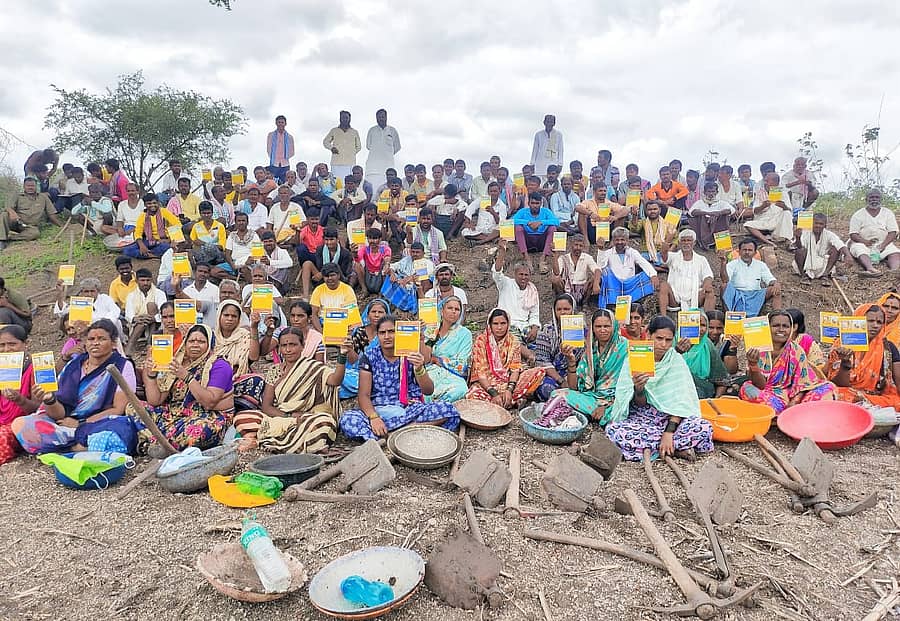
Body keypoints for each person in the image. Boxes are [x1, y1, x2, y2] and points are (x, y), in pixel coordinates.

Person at [11, 320, 138, 455]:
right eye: (91, 339)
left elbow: (117, 409)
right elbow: (59, 413)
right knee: (21, 424)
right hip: (64, 424)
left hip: (98, 423)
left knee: (118, 432)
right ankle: (80, 446)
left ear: (113, 343)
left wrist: (81, 423)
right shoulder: (74, 365)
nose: (95, 343)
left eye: (101, 339)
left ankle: (67, 447)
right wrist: (49, 400)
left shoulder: (123, 366)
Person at [605, 316, 714, 461]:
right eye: (659, 338)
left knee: (704, 427)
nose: (663, 344)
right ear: (649, 335)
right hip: (644, 417)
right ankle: (676, 449)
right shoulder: (634, 359)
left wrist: (669, 432)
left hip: (672, 419)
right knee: (614, 431)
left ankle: (661, 446)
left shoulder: (676, 360)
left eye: (668, 340)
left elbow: (682, 403)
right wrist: (639, 389)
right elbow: (639, 404)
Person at [339, 316, 460, 440]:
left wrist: (419, 369)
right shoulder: (369, 357)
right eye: (382, 333)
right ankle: (407, 430)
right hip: (379, 410)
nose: (387, 336)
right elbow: (363, 395)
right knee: (348, 420)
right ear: (378, 335)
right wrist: (374, 418)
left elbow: (428, 390)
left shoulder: (410, 354)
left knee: (448, 409)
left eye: (391, 331)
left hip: (408, 410)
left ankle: (395, 434)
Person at [233, 329, 349, 452]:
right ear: (279, 348)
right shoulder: (274, 371)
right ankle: (304, 442)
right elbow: (266, 407)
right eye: (284, 345)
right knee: (242, 417)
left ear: (302, 346)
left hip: (307, 418)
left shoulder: (314, 368)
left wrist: (342, 355)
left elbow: (335, 381)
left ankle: (264, 439)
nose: (288, 350)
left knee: (324, 422)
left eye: (293, 345)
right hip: (282, 418)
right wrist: (291, 417)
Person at [140, 324, 233, 451]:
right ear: (185, 344)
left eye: (201, 341)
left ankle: (151, 439)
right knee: (135, 407)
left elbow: (209, 403)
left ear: (210, 345)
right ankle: (160, 441)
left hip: (208, 415)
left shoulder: (219, 365)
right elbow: (155, 401)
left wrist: (186, 377)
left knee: (199, 430)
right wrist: (151, 375)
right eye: (191, 341)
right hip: (175, 413)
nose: (195, 345)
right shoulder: (178, 363)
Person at [739, 311, 835, 414]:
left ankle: (791, 412)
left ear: (791, 328)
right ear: (767, 327)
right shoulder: (759, 349)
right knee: (747, 389)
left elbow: (803, 384)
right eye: (776, 325)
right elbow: (761, 385)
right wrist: (753, 365)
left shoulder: (796, 350)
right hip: (769, 394)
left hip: (794, 393)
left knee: (828, 388)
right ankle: (794, 413)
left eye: (785, 326)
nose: (781, 329)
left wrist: (794, 401)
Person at [558, 309, 628, 424]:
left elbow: (628, 386)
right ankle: (589, 413)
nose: (602, 330)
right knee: (558, 395)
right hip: (592, 397)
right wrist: (571, 361)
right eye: (598, 326)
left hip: (616, 400)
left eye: (607, 326)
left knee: (618, 413)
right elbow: (574, 387)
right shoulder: (592, 349)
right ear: (593, 329)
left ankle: (596, 413)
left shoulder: (624, 347)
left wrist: (605, 405)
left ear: (614, 326)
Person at [828, 303, 900, 411]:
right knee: (834, 394)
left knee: (896, 402)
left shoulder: (887, 347)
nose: (875, 325)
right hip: (847, 392)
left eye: (879, 322)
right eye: (870, 321)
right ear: (858, 321)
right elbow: (838, 383)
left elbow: (894, 382)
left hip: (874, 397)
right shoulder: (842, 344)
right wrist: (845, 363)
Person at [466, 308, 545, 407]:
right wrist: (493, 393)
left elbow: (515, 369)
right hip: (486, 383)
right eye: (495, 324)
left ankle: (505, 399)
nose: (499, 327)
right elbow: (480, 373)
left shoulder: (513, 341)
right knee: (472, 395)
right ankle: (512, 400)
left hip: (507, 381)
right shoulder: (481, 341)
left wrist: (509, 390)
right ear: (489, 325)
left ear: (508, 324)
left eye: (503, 323)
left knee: (539, 372)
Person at [493, 240, 541, 360]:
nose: (523, 277)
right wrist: (502, 251)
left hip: (525, 326)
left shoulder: (533, 290)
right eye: (521, 274)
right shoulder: (506, 284)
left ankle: (540, 359)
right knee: (511, 338)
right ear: (515, 274)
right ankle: (530, 356)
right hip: (507, 324)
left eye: (526, 275)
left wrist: (534, 328)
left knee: (544, 338)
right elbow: (497, 272)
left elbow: (535, 314)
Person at [422, 296, 473, 402]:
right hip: (429, 371)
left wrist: (438, 360)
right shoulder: (431, 329)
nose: (453, 311)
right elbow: (426, 359)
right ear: (442, 310)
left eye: (457, 309)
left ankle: (438, 406)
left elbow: (462, 364)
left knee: (461, 390)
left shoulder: (464, 334)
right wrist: (422, 337)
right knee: (423, 390)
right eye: (450, 308)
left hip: (452, 375)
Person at [597, 227, 659, 307]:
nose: (620, 242)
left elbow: (644, 263)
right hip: (614, 284)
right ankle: (612, 303)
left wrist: (653, 275)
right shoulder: (608, 252)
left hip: (630, 284)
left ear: (627, 241)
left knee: (647, 274)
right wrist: (601, 250)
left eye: (622, 240)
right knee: (606, 271)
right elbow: (600, 266)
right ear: (613, 241)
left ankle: (637, 299)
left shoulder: (632, 252)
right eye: (617, 240)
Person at [0, 326, 36, 464]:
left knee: (1, 436)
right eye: (2, 345)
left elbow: (40, 409)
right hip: (2, 420)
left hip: (22, 424)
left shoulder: (36, 368)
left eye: (12, 344)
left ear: (26, 344)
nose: (6, 349)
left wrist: (20, 400)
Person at [533, 294, 580, 401]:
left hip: (575, 372)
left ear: (573, 309)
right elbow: (543, 361)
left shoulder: (582, 331)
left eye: (566, 309)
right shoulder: (546, 331)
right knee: (546, 389)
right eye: (559, 309)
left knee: (584, 387)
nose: (563, 312)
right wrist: (561, 381)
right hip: (553, 373)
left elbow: (585, 360)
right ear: (554, 311)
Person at [658, 229, 716, 313]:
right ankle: (662, 318)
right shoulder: (673, 257)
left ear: (694, 243)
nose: (686, 243)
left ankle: (708, 320)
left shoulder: (701, 259)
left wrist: (706, 285)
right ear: (680, 243)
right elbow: (663, 253)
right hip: (675, 297)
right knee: (663, 285)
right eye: (683, 240)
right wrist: (669, 238)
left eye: (689, 240)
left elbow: (708, 276)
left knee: (710, 291)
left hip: (695, 296)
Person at [721, 237, 782, 317]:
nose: (747, 252)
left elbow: (769, 279)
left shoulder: (760, 265)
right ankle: (729, 317)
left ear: (755, 252)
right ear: (739, 252)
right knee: (724, 286)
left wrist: (776, 283)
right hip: (736, 294)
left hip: (755, 294)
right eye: (744, 250)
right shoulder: (732, 264)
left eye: (750, 250)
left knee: (775, 289)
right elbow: (725, 280)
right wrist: (723, 264)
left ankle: (777, 317)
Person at [673, 312, 728, 398]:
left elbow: (721, 381)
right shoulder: (672, 342)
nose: (700, 329)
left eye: (703, 325)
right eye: (696, 325)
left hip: (702, 392)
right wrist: (676, 352)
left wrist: (715, 401)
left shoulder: (708, 345)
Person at [847, 188, 900, 276]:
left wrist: (883, 245)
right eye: (871, 197)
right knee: (859, 249)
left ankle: (894, 271)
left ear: (881, 199)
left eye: (877, 197)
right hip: (863, 242)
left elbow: (893, 232)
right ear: (866, 199)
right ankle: (870, 269)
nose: (874, 200)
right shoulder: (858, 215)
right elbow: (853, 234)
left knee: (895, 252)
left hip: (883, 243)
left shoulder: (888, 213)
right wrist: (866, 242)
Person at [0, 177, 62, 250]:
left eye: (32, 186)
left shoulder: (43, 197)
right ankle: (2, 240)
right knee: (4, 215)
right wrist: (12, 213)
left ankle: (11, 238)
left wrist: (60, 225)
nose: (30, 188)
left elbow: (51, 214)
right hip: (16, 222)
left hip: (29, 226)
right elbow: (8, 207)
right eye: (28, 186)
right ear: (24, 186)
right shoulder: (18, 196)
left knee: (35, 233)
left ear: (36, 186)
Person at [54, 277, 123, 335]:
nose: (89, 294)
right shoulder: (79, 303)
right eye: (86, 291)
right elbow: (63, 312)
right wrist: (60, 293)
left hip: (108, 330)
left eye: (92, 291)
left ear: (98, 291)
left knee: (117, 322)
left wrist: (102, 323)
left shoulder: (105, 298)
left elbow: (115, 311)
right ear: (82, 292)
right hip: (87, 333)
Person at [793, 213, 849, 282]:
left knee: (836, 249)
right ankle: (804, 275)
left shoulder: (829, 234)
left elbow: (840, 244)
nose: (818, 226)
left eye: (821, 224)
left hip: (823, 265)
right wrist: (798, 237)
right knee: (799, 251)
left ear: (825, 225)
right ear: (812, 223)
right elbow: (799, 247)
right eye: (816, 223)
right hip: (807, 264)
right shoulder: (805, 232)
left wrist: (848, 255)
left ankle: (825, 274)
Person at [512, 191, 559, 273]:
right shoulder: (523, 211)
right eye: (532, 203)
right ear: (528, 203)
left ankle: (543, 259)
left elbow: (556, 222)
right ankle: (527, 259)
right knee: (518, 228)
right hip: (528, 240)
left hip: (541, 240)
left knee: (552, 228)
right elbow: (512, 220)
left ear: (541, 203)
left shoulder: (546, 211)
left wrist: (541, 222)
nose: (535, 206)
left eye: (537, 203)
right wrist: (528, 222)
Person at [550, 233, 601, 308]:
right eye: (576, 245)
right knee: (555, 279)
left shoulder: (587, 257)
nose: (578, 248)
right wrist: (555, 257)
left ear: (583, 247)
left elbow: (597, 270)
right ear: (571, 245)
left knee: (595, 278)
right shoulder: (563, 258)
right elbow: (556, 273)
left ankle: (585, 303)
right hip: (567, 289)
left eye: (580, 246)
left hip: (582, 289)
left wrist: (596, 284)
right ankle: (561, 300)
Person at [301, 227, 353, 299]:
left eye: (331, 239)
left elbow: (343, 272)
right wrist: (322, 273)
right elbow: (319, 266)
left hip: (338, 279)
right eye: (326, 240)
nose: (329, 242)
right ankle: (306, 296)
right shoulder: (320, 249)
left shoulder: (345, 253)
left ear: (337, 239)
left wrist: (324, 272)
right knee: (307, 264)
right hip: (322, 277)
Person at [124, 268, 166, 355]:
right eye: (142, 280)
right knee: (142, 320)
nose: (145, 283)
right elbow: (129, 314)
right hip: (138, 325)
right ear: (136, 281)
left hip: (156, 324)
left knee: (151, 305)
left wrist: (153, 318)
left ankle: (149, 343)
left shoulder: (159, 293)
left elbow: (164, 311)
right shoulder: (131, 295)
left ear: (151, 280)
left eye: (148, 280)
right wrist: (137, 318)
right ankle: (131, 345)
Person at [381, 242, 432, 312]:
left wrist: (407, 280)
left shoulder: (428, 263)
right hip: (402, 284)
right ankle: (389, 302)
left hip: (417, 289)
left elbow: (423, 277)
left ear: (423, 253)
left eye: (417, 252)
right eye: (413, 252)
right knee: (388, 275)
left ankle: (414, 306)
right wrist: (392, 274)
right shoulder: (407, 260)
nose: (415, 254)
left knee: (425, 281)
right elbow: (393, 266)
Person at [126, 194, 181, 258]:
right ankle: (153, 254)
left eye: (154, 203)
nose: (152, 205)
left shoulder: (164, 212)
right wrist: (141, 246)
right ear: (145, 205)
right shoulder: (142, 216)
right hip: (149, 241)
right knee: (127, 250)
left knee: (166, 247)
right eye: (149, 203)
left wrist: (170, 240)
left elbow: (177, 224)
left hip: (163, 241)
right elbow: (137, 233)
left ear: (158, 203)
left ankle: (149, 254)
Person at [744, 172, 793, 245]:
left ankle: (787, 240)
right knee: (748, 224)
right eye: (765, 181)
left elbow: (789, 210)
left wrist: (784, 206)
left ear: (775, 182)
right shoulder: (760, 193)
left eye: (767, 181)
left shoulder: (783, 193)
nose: (765, 183)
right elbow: (755, 211)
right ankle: (767, 241)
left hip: (778, 220)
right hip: (764, 219)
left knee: (787, 213)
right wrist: (763, 206)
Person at [310, 263, 359, 331]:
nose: (329, 278)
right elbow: (314, 315)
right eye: (326, 276)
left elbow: (353, 313)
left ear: (338, 275)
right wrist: (321, 332)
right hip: (324, 324)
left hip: (344, 323)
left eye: (332, 275)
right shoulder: (318, 290)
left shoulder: (347, 289)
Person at [688, 181, 734, 249]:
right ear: (704, 192)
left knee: (724, 216)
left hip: (717, 225)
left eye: (713, 191)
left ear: (717, 192)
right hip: (703, 226)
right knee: (700, 216)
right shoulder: (699, 202)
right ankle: (703, 243)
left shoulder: (722, 202)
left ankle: (722, 244)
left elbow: (731, 210)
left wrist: (718, 214)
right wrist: (708, 213)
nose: (711, 194)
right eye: (709, 191)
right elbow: (691, 212)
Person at [364, 109, 401, 187]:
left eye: (382, 117)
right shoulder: (372, 130)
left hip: (388, 166)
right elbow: (368, 146)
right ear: (376, 118)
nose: (381, 119)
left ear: (386, 117)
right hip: (373, 168)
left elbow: (397, 147)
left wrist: (386, 154)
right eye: (379, 117)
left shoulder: (392, 130)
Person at [462, 181, 506, 246]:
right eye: (491, 191)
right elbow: (471, 208)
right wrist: (468, 222)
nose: (493, 193)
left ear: (499, 192)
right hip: (480, 229)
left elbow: (500, 222)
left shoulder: (502, 205)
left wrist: (493, 213)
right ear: (488, 192)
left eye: (495, 191)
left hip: (493, 230)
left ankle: (482, 241)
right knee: (464, 231)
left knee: (502, 227)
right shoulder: (483, 199)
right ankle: (490, 239)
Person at [322, 110, 361, 180]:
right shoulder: (334, 130)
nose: (345, 119)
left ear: (350, 119)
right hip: (336, 163)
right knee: (337, 183)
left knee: (349, 183)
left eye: (346, 118)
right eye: (343, 118)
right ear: (340, 119)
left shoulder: (354, 132)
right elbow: (325, 142)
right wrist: (331, 148)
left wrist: (350, 153)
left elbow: (359, 147)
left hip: (350, 163)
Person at [355, 228, 392, 295]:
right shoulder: (364, 249)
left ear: (380, 239)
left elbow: (387, 257)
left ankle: (383, 291)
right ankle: (364, 290)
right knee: (357, 265)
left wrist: (387, 264)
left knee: (386, 266)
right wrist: (354, 253)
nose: (372, 241)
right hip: (368, 275)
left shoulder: (385, 249)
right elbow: (358, 258)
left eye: (375, 238)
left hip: (380, 276)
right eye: (370, 238)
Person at [531, 114, 564, 180]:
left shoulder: (558, 134)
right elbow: (535, 150)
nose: (549, 123)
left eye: (551, 121)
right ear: (544, 122)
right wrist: (532, 163)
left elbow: (561, 150)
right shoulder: (538, 134)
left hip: (553, 164)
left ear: (554, 123)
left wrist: (560, 164)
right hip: (539, 165)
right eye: (548, 121)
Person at [266, 115, 295, 183]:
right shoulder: (271, 135)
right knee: (272, 182)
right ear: (276, 123)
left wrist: (285, 157)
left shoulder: (290, 137)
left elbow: (292, 151)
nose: (280, 124)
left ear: (285, 123)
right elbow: (269, 149)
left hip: (285, 163)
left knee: (285, 182)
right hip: (274, 163)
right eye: (279, 122)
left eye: (282, 122)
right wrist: (275, 158)